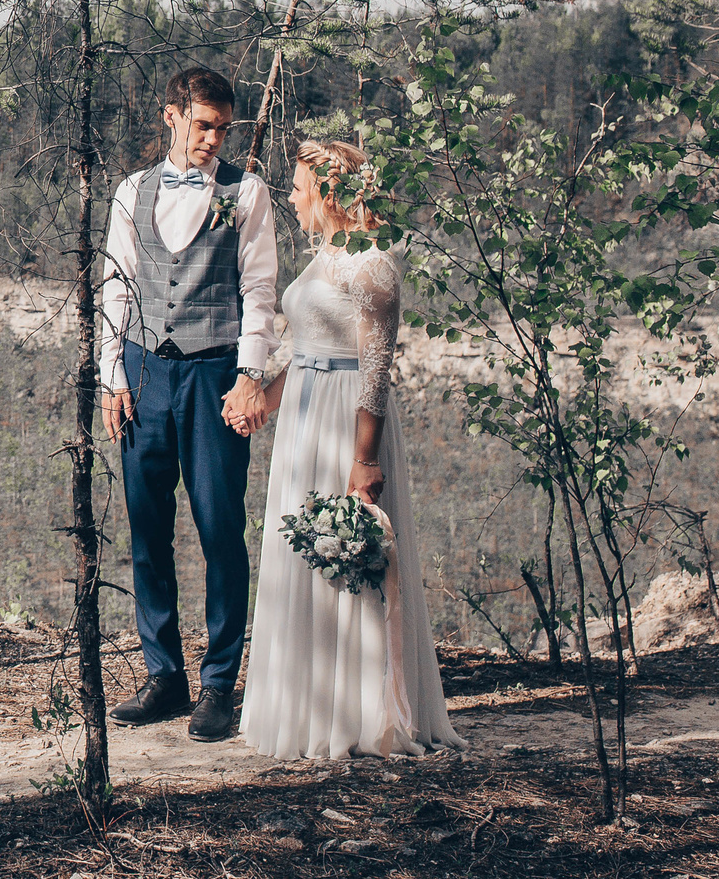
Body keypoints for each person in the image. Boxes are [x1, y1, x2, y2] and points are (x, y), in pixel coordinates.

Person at [241, 139, 460, 759]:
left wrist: (364, 459)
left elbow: (374, 373)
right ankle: (305, 707)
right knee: (303, 549)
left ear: (331, 192)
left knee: (351, 554)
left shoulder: (372, 266)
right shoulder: (325, 257)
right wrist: (266, 397)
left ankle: (360, 714)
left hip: (346, 424)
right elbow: (308, 347)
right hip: (305, 419)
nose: (291, 195)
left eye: (300, 185)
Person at [99, 66, 280, 742]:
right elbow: (115, 287)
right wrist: (112, 377)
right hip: (144, 372)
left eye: (222, 128)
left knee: (218, 529)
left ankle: (217, 684)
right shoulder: (130, 192)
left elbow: (259, 290)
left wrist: (249, 374)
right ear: (170, 116)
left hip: (213, 375)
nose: (212, 138)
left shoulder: (245, 192)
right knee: (147, 529)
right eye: (202, 124)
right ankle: (163, 674)